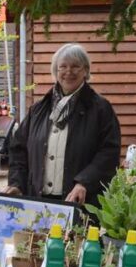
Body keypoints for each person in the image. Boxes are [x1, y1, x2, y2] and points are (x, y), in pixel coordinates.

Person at [6, 43, 121, 205]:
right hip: (37, 199)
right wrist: (17, 183)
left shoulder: (100, 109)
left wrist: (84, 182)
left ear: (85, 71)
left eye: (75, 67)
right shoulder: (39, 109)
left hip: (80, 201)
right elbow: (18, 149)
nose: (69, 72)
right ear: (56, 71)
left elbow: (109, 153)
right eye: (63, 67)